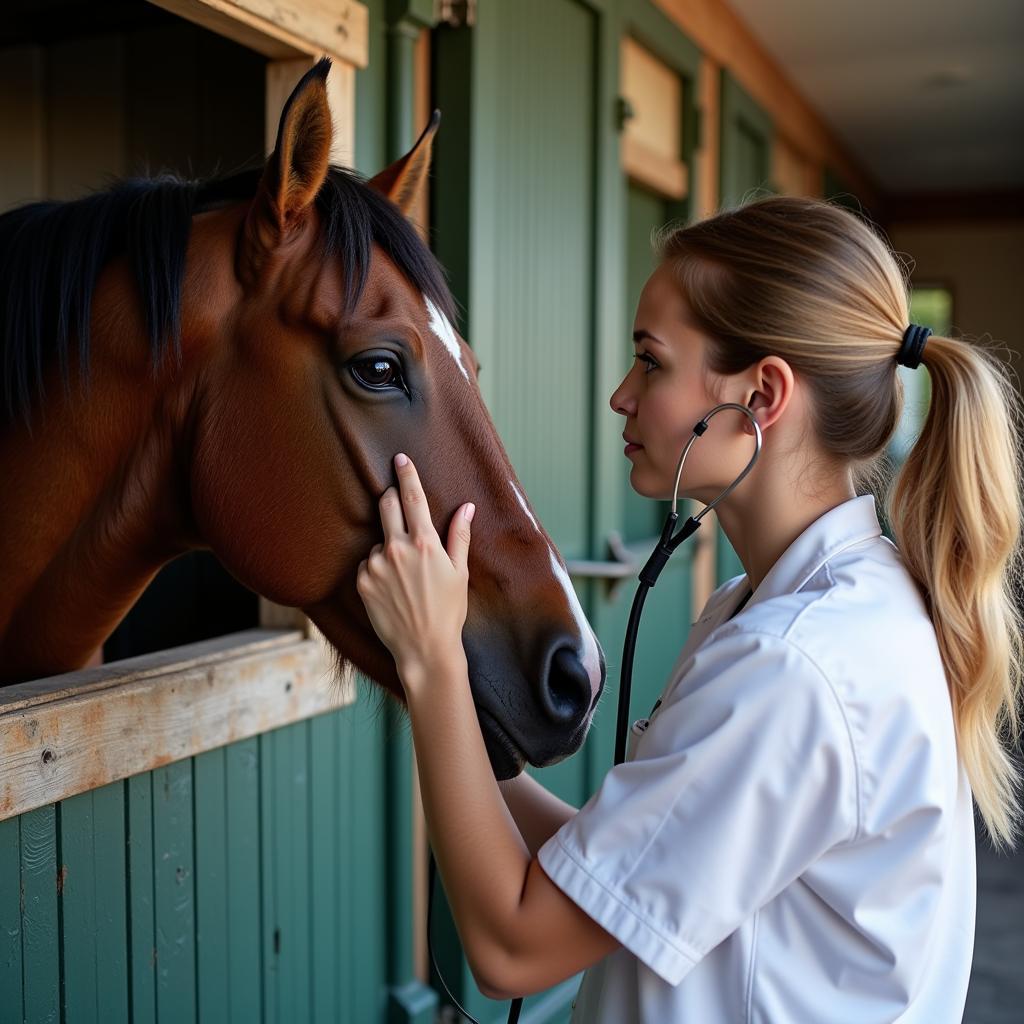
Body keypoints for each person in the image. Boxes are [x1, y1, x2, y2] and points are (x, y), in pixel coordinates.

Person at [355, 195, 1024, 1022]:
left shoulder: (795, 668)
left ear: (763, 396)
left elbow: (511, 948)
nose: (621, 397)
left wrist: (433, 665)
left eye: (652, 362)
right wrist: (464, 725)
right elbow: (629, 874)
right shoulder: (801, 611)